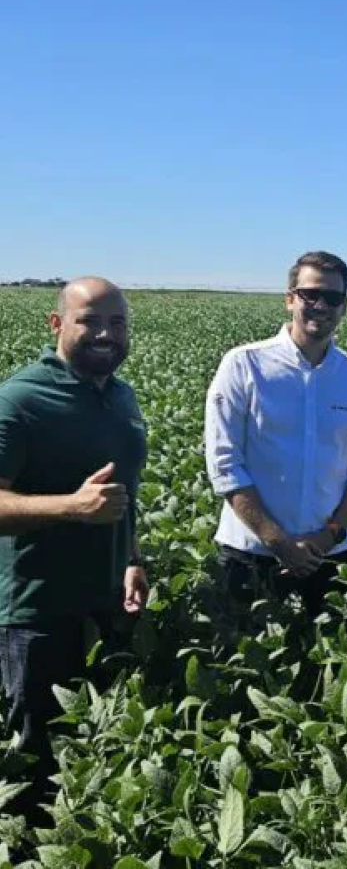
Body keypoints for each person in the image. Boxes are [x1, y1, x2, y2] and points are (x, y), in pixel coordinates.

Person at [0, 277, 149, 827]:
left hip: (108, 603)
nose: (105, 333)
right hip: (37, 612)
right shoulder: (21, 398)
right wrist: (71, 507)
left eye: (117, 322)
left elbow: (122, 494)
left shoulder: (121, 395)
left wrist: (132, 558)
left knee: (97, 749)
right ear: (57, 324)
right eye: (90, 320)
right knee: (35, 768)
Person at [204, 251, 347, 621]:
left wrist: (328, 535)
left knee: (333, 667)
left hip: (334, 555)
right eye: (310, 295)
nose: (321, 305)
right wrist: (277, 540)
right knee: (247, 667)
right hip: (251, 552)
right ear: (290, 299)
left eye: (333, 298)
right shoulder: (244, 364)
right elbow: (224, 465)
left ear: (345, 306)